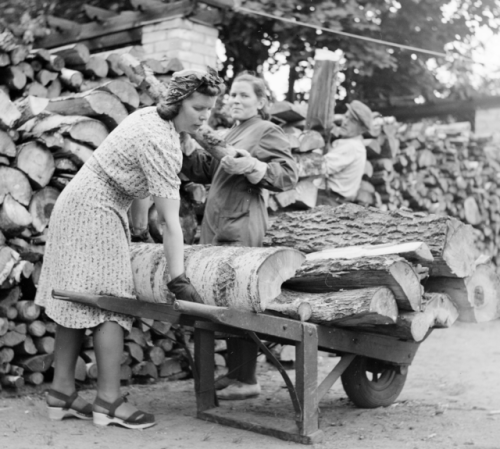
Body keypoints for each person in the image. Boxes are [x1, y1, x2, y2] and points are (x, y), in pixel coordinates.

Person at [34, 68, 225, 429]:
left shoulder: (148, 118)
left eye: (210, 110)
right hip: (96, 211)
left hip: (75, 203)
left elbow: (137, 188)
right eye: (199, 108)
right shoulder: (162, 142)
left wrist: (138, 229)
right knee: (112, 301)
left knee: (76, 296)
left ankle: (61, 393)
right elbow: (171, 221)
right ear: (178, 101)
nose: (205, 116)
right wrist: (178, 277)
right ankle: (108, 401)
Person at [181, 72, 299, 400]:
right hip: (219, 224)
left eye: (244, 96)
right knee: (221, 299)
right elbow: (205, 170)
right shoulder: (230, 131)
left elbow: (288, 175)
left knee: (239, 298)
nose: (235, 100)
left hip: (243, 224)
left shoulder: (265, 130)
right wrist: (188, 142)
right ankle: (236, 375)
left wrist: (254, 167)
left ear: (261, 102)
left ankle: (247, 380)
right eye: (233, 94)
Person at [315, 100, 373, 206]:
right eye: (346, 117)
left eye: (352, 121)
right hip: (334, 200)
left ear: (362, 129)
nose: (345, 122)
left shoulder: (351, 146)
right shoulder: (355, 143)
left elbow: (320, 166)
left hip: (329, 201)